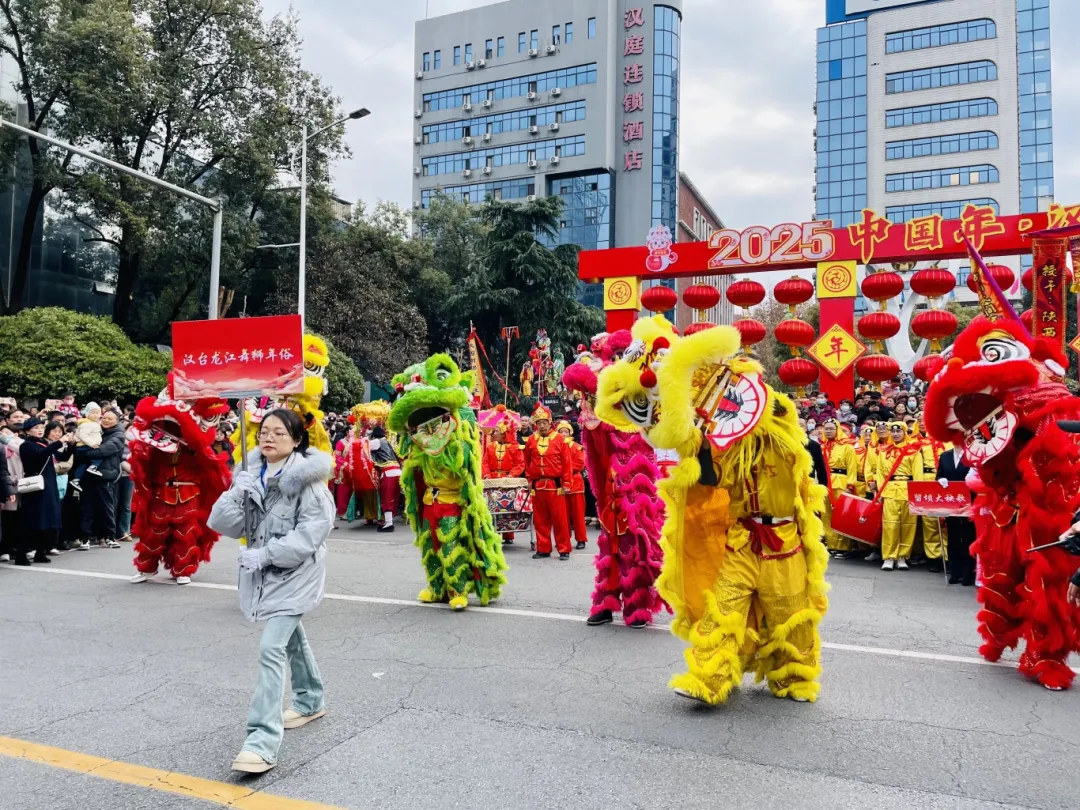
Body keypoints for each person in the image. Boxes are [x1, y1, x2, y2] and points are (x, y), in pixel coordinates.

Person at [208, 409, 334, 774]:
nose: (269, 438)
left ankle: (261, 741)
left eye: (280, 433)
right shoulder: (252, 476)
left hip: (297, 573)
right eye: (265, 431)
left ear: (296, 440)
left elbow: (312, 533)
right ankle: (311, 700)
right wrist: (236, 494)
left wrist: (265, 555)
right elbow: (225, 525)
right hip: (262, 573)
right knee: (292, 639)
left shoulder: (310, 484)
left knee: (271, 648)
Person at [17, 420, 75, 564]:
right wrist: (60, 442)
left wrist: (72, 446)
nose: (40, 430)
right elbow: (40, 455)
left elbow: (63, 457)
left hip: (49, 485)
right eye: (36, 428)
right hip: (35, 487)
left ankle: (40, 552)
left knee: (47, 520)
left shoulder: (44, 443)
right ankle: (21, 554)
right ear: (27, 431)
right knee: (33, 521)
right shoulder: (26, 445)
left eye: (42, 427)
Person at [523, 403, 574, 560]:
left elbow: (567, 463)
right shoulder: (531, 440)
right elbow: (527, 462)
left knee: (559, 519)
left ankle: (564, 549)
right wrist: (529, 481)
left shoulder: (560, 440)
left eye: (544, 422)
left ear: (550, 422)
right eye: (539, 423)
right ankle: (543, 548)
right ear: (536, 424)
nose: (542, 426)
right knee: (540, 520)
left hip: (555, 485)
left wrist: (566, 484)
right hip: (538, 486)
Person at [74, 407, 125, 549]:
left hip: (105, 475)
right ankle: (85, 538)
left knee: (106, 507)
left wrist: (85, 453)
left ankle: (110, 536)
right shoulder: (95, 429)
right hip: (89, 474)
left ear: (117, 421)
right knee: (86, 506)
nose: (106, 420)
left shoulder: (119, 435)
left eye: (110, 418)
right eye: (105, 417)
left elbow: (104, 450)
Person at [873, 421, 921, 571]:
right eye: (892, 431)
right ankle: (889, 556)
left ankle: (903, 556)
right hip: (890, 490)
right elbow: (880, 472)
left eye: (898, 431)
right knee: (890, 524)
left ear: (904, 433)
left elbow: (918, 472)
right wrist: (880, 491)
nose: (895, 434)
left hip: (907, 490)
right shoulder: (884, 450)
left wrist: (917, 492)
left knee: (908, 525)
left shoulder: (913, 450)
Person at [481, 418, 525, 544]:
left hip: (508, 481)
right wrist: (486, 475)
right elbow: (485, 462)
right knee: (492, 508)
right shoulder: (490, 447)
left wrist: (511, 475)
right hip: (492, 480)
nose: (493, 434)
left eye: (496, 431)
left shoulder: (515, 447)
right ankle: (492, 533)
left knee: (508, 508)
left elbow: (520, 464)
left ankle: (508, 535)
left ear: (504, 434)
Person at [937, 443, 975, 586]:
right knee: (952, 537)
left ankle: (967, 573)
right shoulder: (945, 455)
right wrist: (940, 480)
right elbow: (939, 474)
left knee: (968, 537)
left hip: (969, 502)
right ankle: (954, 571)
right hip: (951, 503)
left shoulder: (972, 454)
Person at [819, 420, 856, 558]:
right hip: (824, 483)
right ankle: (831, 544)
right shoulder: (821, 447)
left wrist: (850, 486)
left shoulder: (847, 447)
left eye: (831, 429)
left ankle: (843, 547)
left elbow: (852, 467)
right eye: (826, 429)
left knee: (841, 515)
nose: (828, 431)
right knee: (826, 514)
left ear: (837, 430)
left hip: (841, 482)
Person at [558, 420, 588, 550]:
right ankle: (564, 539)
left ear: (570, 432)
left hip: (575, 484)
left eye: (566, 431)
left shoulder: (576, 447)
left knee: (578, 515)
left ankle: (581, 539)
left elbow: (580, 464)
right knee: (562, 516)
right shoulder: (555, 446)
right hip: (560, 484)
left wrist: (563, 469)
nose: (563, 434)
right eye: (561, 431)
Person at [368, 425, 400, 532]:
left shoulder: (377, 442)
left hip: (388, 471)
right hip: (397, 470)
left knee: (387, 498)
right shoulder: (387, 442)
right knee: (394, 498)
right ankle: (388, 522)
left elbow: (363, 447)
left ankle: (389, 523)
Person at [69, 402, 103, 493]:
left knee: (84, 464)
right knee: (100, 454)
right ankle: (94, 466)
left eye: (97, 413)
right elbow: (83, 436)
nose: (95, 415)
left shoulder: (91, 423)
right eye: (93, 413)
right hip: (86, 446)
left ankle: (76, 480)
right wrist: (92, 444)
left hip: (84, 446)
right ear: (87, 413)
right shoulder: (88, 423)